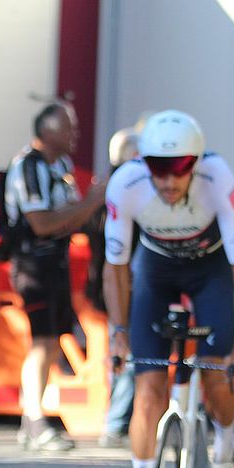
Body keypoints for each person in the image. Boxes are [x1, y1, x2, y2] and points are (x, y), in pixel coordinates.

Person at [103, 110, 234, 468]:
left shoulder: (218, 177)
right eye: (158, 168)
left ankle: (225, 446)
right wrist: (118, 332)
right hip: (156, 270)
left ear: (196, 161)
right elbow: (116, 270)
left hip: (211, 272)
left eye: (179, 169)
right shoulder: (126, 185)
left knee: (216, 381)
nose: (168, 181)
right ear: (142, 162)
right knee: (148, 390)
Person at [5, 102, 107, 451]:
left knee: (51, 343)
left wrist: (83, 209)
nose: (74, 134)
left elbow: (70, 217)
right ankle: (34, 419)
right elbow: (43, 222)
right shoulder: (27, 166)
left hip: (58, 264)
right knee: (41, 342)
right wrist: (92, 200)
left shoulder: (61, 165)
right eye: (68, 127)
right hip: (33, 265)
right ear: (47, 132)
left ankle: (32, 419)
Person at [97, 122, 146, 448]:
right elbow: (115, 254)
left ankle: (121, 420)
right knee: (125, 347)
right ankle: (115, 422)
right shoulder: (123, 189)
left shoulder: (106, 187)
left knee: (124, 347)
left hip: (119, 279)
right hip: (121, 280)